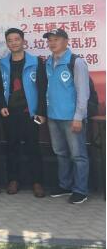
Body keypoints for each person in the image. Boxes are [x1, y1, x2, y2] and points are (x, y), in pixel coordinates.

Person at [0, 28, 46, 198]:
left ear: (23, 41)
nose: (14, 43)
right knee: (12, 147)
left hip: (31, 114)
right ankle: (13, 180)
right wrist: (1, 105)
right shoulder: (2, 63)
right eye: (10, 40)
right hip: (10, 113)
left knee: (33, 147)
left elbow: (42, 88)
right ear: (7, 43)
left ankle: (37, 182)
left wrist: (41, 112)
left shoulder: (36, 62)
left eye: (17, 39)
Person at [43, 28, 90, 204]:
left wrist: (78, 117)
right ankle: (65, 185)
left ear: (66, 41)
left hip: (72, 118)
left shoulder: (76, 62)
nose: (52, 43)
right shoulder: (48, 62)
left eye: (56, 39)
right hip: (53, 116)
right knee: (60, 153)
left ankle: (80, 190)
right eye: (50, 40)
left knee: (78, 155)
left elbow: (83, 92)